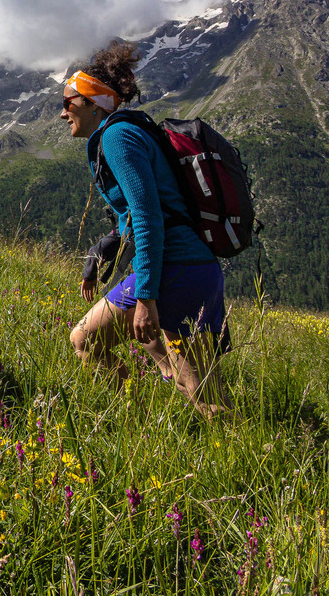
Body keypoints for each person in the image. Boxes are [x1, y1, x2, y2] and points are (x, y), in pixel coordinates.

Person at [65, 40, 230, 416]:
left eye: (68, 103)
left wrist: (147, 299)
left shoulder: (117, 137)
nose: (63, 113)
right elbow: (133, 219)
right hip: (183, 267)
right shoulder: (127, 132)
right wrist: (101, 252)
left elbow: (148, 216)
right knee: (93, 341)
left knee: (205, 396)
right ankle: (142, 418)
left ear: (94, 103)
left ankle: (258, 465)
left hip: (176, 270)